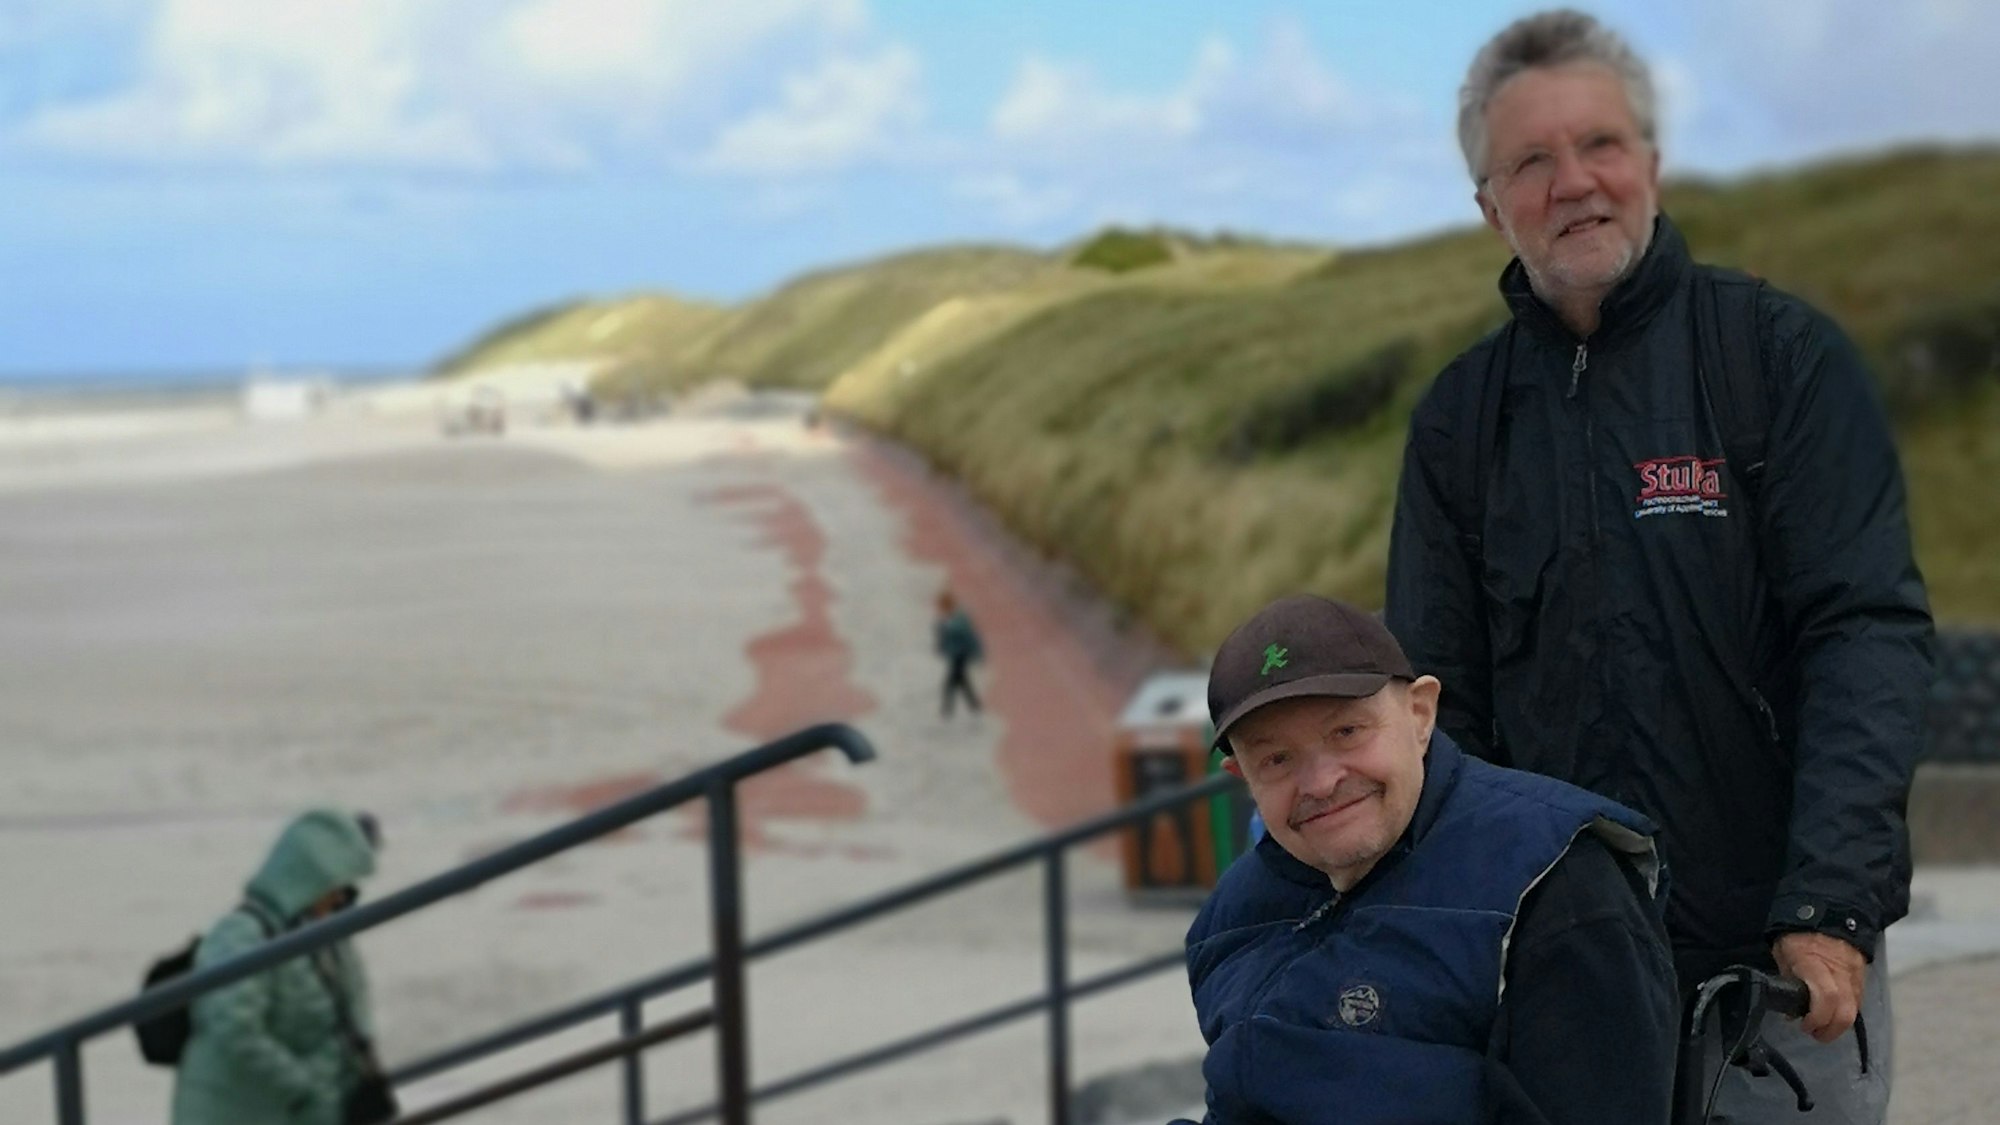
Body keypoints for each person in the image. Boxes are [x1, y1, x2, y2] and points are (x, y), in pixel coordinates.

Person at [1383, 10, 1934, 1121]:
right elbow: (1437, 707)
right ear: (1488, 205)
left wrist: (1828, 905)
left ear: (1650, 164)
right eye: (1530, 160)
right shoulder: (1457, 425)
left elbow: (1863, 634)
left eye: (1600, 145)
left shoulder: (1775, 359)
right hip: (1563, 987)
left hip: (1775, 983)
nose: (1573, 182)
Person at [1183, 594, 1677, 1125]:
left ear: (1421, 713)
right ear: (1244, 778)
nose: (1321, 782)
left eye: (1346, 732)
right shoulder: (1229, 916)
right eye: (1276, 759)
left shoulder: (1558, 884)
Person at [172, 808, 386, 1125]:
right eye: (336, 886)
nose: (341, 897)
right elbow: (234, 1026)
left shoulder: (320, 940)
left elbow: (347, 1014)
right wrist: (302, 1087)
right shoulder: (242, 934)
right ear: (309, 877)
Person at [933, 590, 984, 718]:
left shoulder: (959, 619)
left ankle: (947, 708)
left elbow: (969, 637)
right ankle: (974, 705)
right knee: (962, 680)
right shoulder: (948, 619)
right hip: (955, 654)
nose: (940, 610)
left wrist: (978, 653)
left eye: (942, 606)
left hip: (961, 654)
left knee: (951, 681)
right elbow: (944, 639)